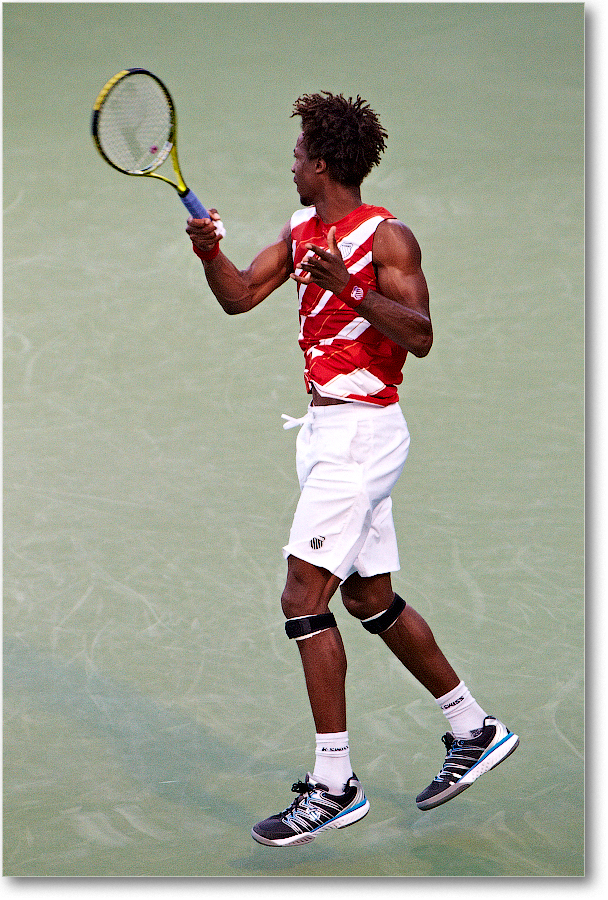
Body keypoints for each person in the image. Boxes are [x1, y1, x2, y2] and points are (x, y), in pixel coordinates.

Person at [186, 92, 519, 848]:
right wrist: (209, 251)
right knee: (369, 596)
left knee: (303, 598)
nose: (292, 164)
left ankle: (334, 783)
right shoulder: (302, 230)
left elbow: (423, 336)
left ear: (324, 162)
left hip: (363, 435)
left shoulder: (387, 237)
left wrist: (349, 289)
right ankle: (474, 727)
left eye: (300, 153)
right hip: (325, 432)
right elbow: (240, 296)